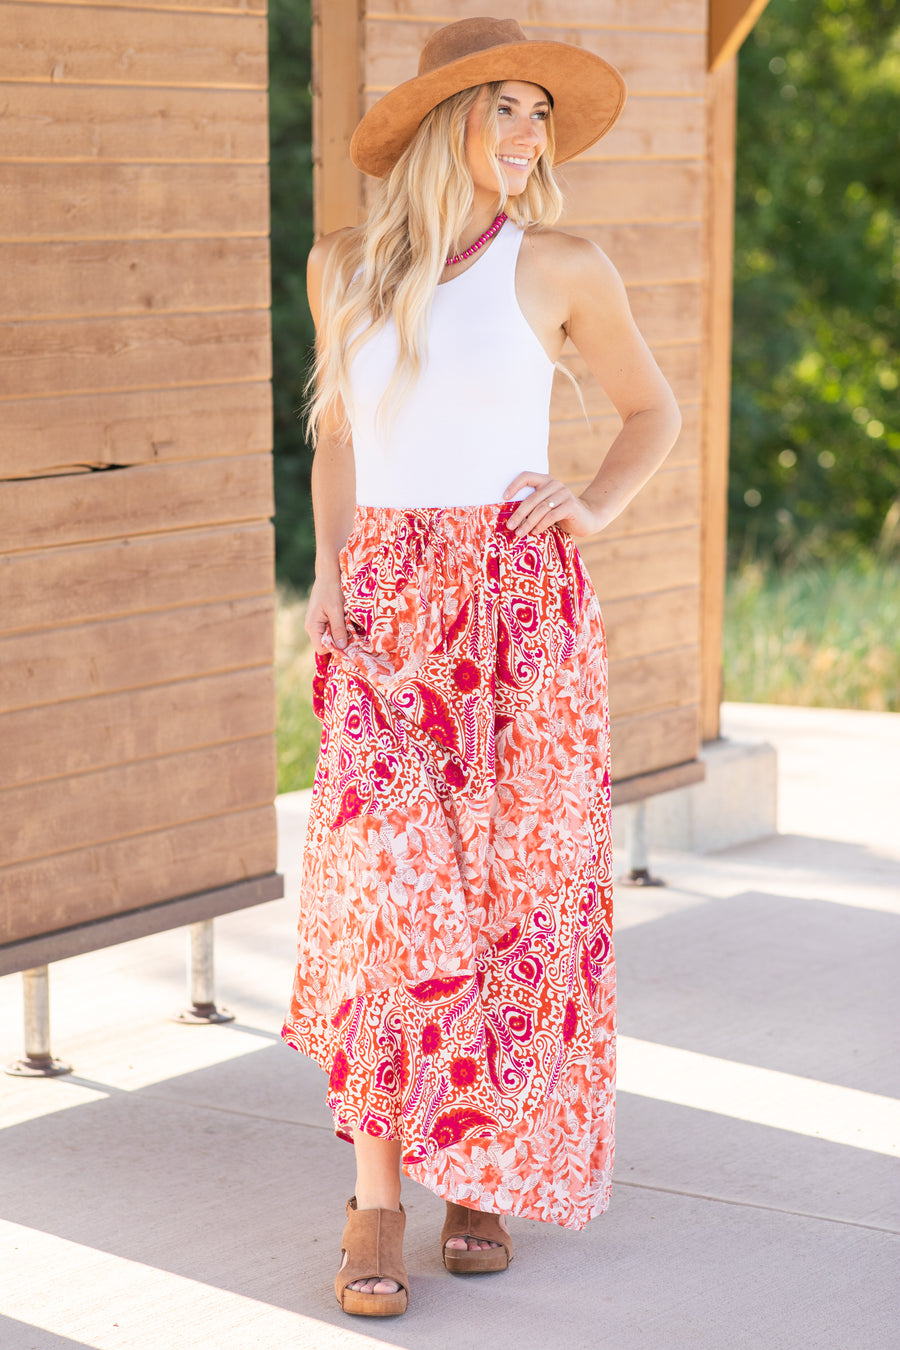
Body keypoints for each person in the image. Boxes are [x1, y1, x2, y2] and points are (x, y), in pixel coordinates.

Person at [282, 16, 681, 1317]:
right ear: (441, 122)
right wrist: (330, 571)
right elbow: (337, 439)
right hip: (389, 619)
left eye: (538, 113)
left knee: (513, 908)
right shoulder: (341, 263)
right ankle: (377, 1201)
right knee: (388, 908)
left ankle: (480, 1177)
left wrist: (595, 505)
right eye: (502, 107)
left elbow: (649, 409)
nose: (526, 134)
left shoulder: (561, 264)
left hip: (521, 626)